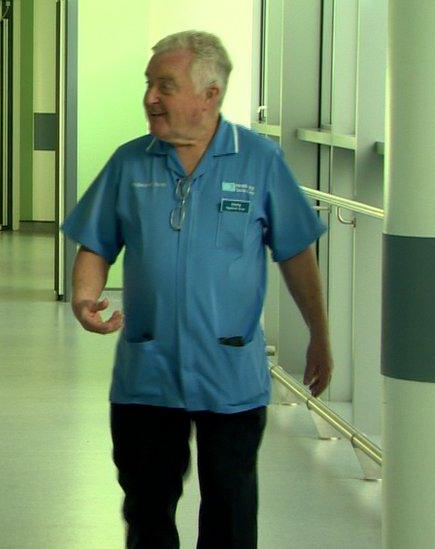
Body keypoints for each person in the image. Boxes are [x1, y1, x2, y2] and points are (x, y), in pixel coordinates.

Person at [61, 30, 333, 548]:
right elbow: (95, 244)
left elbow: (296, 252)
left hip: (229, 373)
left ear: (211, 95)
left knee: (231, 514)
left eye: (165, 85)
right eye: (149, 85)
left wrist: (319, 333)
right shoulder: (129, 162)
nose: (150, 98)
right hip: (148, 372)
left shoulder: (260, 161)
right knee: (146, 510)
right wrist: (83, 296)